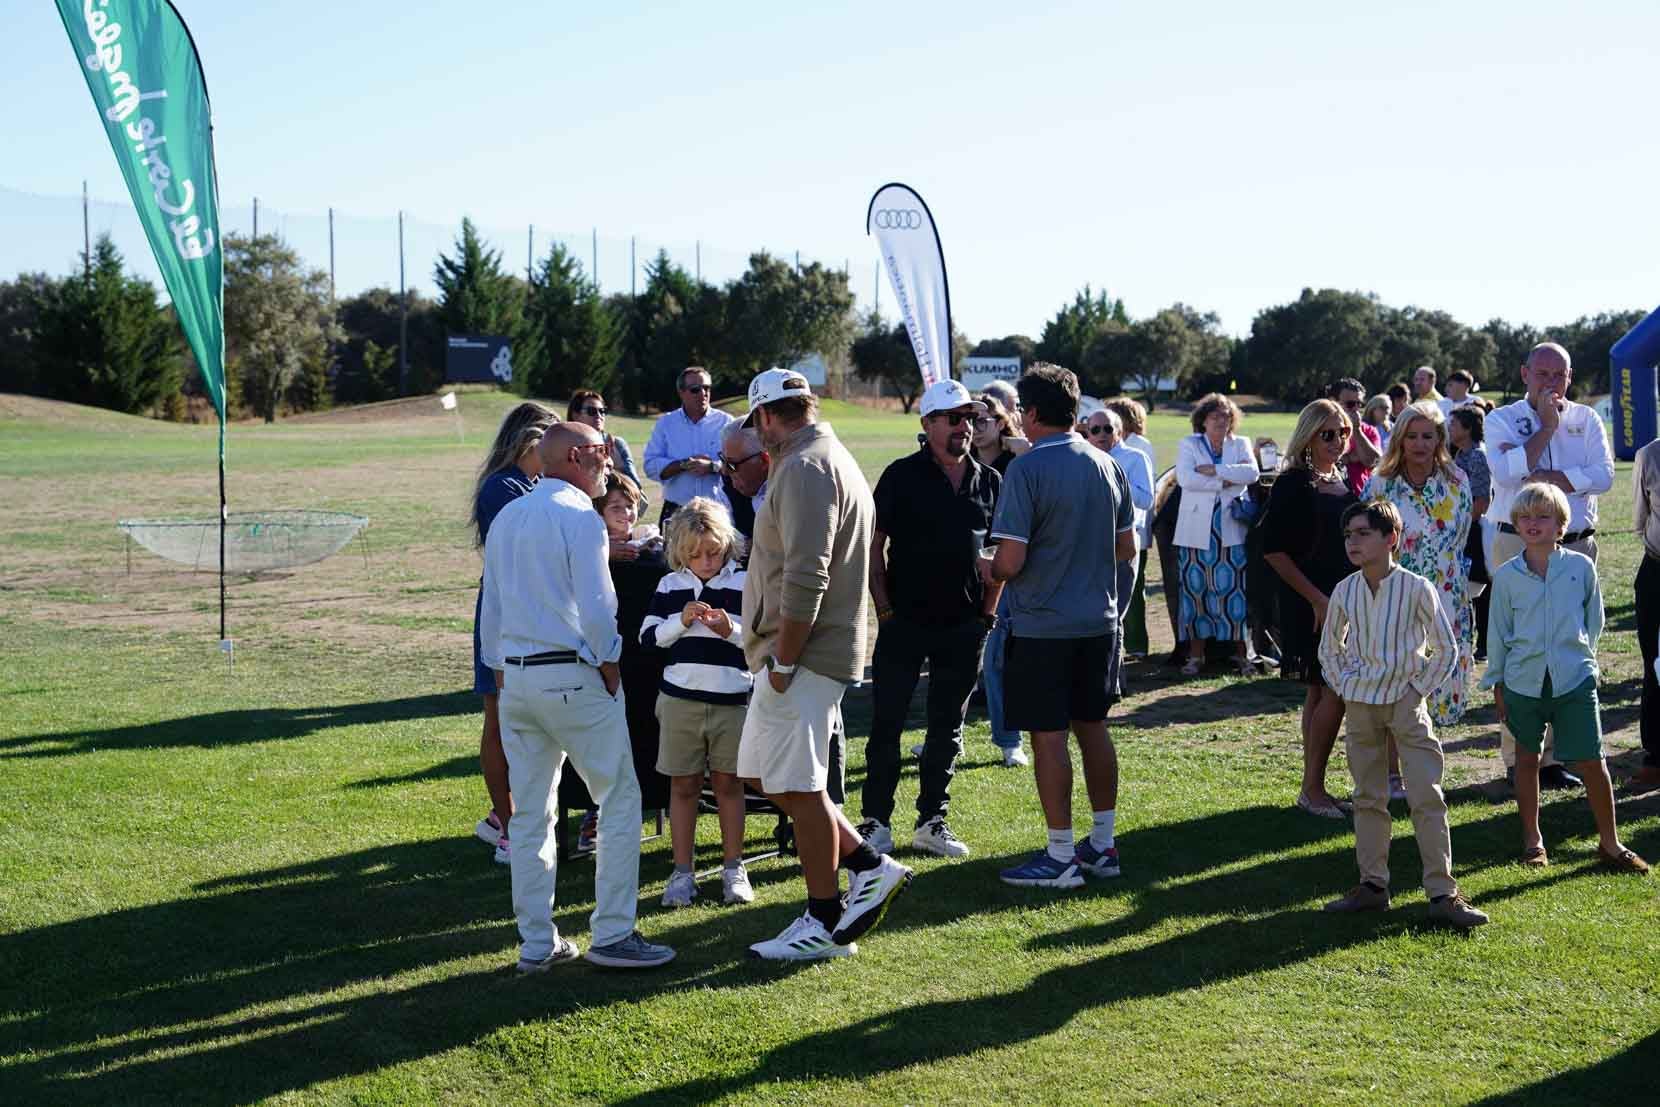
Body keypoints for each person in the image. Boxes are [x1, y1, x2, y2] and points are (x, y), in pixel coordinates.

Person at [479, 422, 676, 971]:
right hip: (570, 674)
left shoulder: (509, 517)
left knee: (531, 816)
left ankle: (537, 945)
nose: (608, 459)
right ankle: (612, 934)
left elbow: (490, 608)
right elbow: (597, 604)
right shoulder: (580, 519)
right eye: (600, 451)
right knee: (618, 799)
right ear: (573, 457)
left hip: (517, 680)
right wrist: (611, 661)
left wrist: (500, 673)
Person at [737, 367, 912, 960]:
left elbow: (806, 572)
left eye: (755, 422)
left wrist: (784, 659)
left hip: (802, 654)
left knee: (798, 783)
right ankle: (865, 862)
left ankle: (823, 915)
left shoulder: (808, 466)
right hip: (797, 652)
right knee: (763, 775)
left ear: (766, 416)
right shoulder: (821, 457)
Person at [986, 363, 1135, 889]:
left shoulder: (1025, 471)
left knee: (1048, 738)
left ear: (1028, 413)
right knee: (1093, 728)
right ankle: (1103, 844)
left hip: (1043, 626)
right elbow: (1126, 549)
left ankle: (1059, 856)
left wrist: (985, 567)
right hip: (1099, 622)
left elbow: (1010, 561)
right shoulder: (1107, 464)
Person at [1318, 500, 1488, 928]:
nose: (1352, 542)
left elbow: (1446, 648)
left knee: (1426, 795)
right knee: (1367, 796)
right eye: (1348, 535)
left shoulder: (1416, 587)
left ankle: (1443, 892)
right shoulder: (1345, 589)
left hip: (1406, 704)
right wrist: (1345, 685)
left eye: (1362, 533)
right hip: (1360, 704)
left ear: (1390, 538)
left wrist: (1416, 690)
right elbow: (1329, 649)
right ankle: (1372, 886)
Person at [862, 378, 1001, 858]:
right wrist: (884, 610)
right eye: (955, 418)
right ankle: (875, 821)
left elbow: (998, 554)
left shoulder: (990, 481)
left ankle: (931, 822)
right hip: (905, 621)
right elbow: (872, 548)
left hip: (965, 625)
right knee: (887, 723)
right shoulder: (901, 475)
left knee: (948, 727)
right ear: (928, 424)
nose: (966, 427)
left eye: (972, 419)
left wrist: (988, 613)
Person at [1483, 482, 1649, 874]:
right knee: (1527, 760)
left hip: (1574, 679)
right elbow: (1497, 633)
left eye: (1543, 516)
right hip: (1523, 683)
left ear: (1561, 525)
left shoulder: (1580, 567)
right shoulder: (1506, 577)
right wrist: (1498, 684)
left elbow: (1595, 620)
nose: (1533, 523)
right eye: (1525, 517)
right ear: (1515, 523)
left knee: (1594, 761)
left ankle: (1610, 843)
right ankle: (1532, 840)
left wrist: (1582, 662)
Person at [1485, 342, 1614, 790]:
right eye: (1542, 374)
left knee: (1568, 647)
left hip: (1577, 547)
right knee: (1521, 647)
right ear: (1524, 374)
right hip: (1515, 544)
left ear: (1570, 377)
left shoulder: (1587, 418)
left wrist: (1558, 480)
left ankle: (1559, 757)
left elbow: (1605, 474)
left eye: (1559, 375)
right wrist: (1544, 428)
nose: (1550, 383)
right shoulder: (1501, 419)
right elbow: (1506, 475)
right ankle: (1519, 756)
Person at [639, 497, 754, 908]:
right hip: (679, 702)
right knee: (683, 785)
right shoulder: (670, 586)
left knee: (729, 784)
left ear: (728, 544)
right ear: (679, 553)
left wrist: (731, 629)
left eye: (713, 552)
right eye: (695, 555)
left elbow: (760, 642)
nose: (705, 561)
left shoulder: (744, 583)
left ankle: (733, 868)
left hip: (732, 701)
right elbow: (648, 638)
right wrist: (680, 621)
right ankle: (682, 873)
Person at [1262, 399, 1360, 819]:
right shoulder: (1294, 482)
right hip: (1313, 603)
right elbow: (1272, 551)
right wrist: (1317, 599)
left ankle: (1312, 786)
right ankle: (1312, 789)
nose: (1338, 441)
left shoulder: (1339, 477)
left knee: (1321, 691)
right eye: (1328, 434)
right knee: (1334, 691)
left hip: (1340, 599)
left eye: (1344, 433)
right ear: (1308, 435)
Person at [469, 402, 557, 865]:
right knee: (500, 720)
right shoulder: (502, 487)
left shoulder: (533, 484)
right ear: (530, 440)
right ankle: (507, 823)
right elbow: (533, 544)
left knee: (521, 721)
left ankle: (504, 818)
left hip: (529, 614)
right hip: (504, 616)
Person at [1362, 403, 1474, 726]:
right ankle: (1393, 774)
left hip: (1446, 597)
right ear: (1399, 439)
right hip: (1394, 598)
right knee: (1396, 688)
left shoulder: (1456, 481)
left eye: (1428, 436)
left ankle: (1425, 770)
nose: (1420, 444)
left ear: (1440, 439)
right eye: (1411, 436)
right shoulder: (1381, 484)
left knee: (1438, 690)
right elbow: (1367, 542)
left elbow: (1460, 538)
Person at [1173, 393, 1259, 678]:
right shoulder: (1190, 444)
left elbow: (1251, 474)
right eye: (1215, 417)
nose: (1221, 421)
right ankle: (1196, 656)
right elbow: (1186, 479)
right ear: (1203, 420)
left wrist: (1215, 470)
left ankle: (1241, 655)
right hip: (1196, 531)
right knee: (1196, 590)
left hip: (1230, 530)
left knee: (1235, 590)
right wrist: (1226, 481)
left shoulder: (1241, 443)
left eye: (1225, 416)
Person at [1086, 408, 1154, 645]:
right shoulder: (1083, 458)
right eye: (1095, 429)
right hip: (1089, 543)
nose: (1101, 434)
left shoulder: (1135, 458)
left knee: (1116, 614)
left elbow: (1147, 500)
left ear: (1120, 431)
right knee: (1094, 613)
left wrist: (1116, 480)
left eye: (1108, 429)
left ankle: (1114, 677)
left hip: (1122, 541)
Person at [642, 366, 736, 526]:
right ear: (681, 392)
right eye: (695, 389)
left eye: (707, 388)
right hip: (676, 511)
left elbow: (738, 465)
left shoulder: (726, 422)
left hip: (717, 511)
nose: (703, 393)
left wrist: (712, 466)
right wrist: (685, 464)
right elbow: (650, 467)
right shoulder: (666, 424)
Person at [1106, 397, 1157, 659]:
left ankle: (1137, 646)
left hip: (1133, 531)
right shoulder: (1094, 448)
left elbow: (1146, 497)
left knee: (1133, 592)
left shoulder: (1138, 449)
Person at [1448, 407, 1492, 661]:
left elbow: (1481, 499)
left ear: (1467, 428)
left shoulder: (1476, 456)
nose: (1450, 429)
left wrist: (1463, 527)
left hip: (1473, 530)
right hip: (1461, 527)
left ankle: (1483, 643)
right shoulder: (1457, 454)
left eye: (1454, 424)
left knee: (1480, 588)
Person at [1635, 434, 1660, 791]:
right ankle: (1655, 753)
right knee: (1655, 663)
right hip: (1656, 568)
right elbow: (1640, 519)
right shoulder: (1649, 454)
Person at [567, 389, 640, 487]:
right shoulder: (565, 444)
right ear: (575, 415)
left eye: (602, 411)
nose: (599, 416)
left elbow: (636, 487)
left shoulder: (617, 444)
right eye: (591, 411)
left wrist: (618, 466)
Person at [717, 421, 770, 544]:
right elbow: (722, 533)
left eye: (732, 464)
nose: (724, 471)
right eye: (722, 460)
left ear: (764, 460)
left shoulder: (790, 487)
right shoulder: (727, 484)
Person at [1330, 378, 1383, 496]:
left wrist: (1357, 430)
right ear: (1333, 402)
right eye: (1350, 404)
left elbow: (1374, 462)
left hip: (1360, 497)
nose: (1355, 409)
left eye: (1359, 404)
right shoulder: (1321, 429)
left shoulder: (1368, 431)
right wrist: (1351, 457)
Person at [972, 394, 1020, 474]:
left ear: (1000, 424)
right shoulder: (963, 462)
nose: (974, 430)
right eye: (971, 421)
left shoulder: (1014, 460)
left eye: (982, 422)